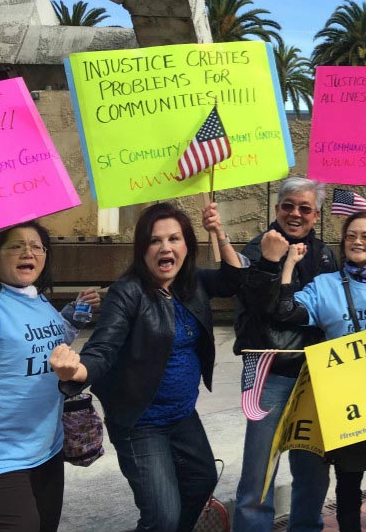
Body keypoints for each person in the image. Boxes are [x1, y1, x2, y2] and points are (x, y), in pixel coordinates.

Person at [50, 202, 245, 532]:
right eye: (155, 241)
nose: (166, 247)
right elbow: (103, 348)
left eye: (174, 239)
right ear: (142, 249)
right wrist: (76, 371)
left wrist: (218, 231)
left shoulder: (192, 283)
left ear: (187, 246)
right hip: (141, 422)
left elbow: (234, 280)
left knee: (202, 480)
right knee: (163, 516)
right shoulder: (127, 294)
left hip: (183, 414)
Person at [262, 211, 366, 532]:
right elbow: (284, 310)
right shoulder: (325, 284)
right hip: (347, 401)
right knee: (348, 485)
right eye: (351, 236)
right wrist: (289, 264)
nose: (357, 242)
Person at [232, 178, 336, 532]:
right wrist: (271, 262)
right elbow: (254, 307)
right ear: (276, 209)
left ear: (316, 215)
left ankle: (307, 526)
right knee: (259, 472)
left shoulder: (324, 254)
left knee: (312, 469)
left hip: (315, 375)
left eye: (304, 208)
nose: (295, 214)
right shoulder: (255, 247)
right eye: (288, 206)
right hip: (270, 371)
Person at [0, 222, 99, 532]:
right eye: (16, 245)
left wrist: (71, 315)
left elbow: (49, 344)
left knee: (46, 525)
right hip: (5, 457)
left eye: (37, 246)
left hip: (48, 447)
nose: (28, 252)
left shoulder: (38, 299)